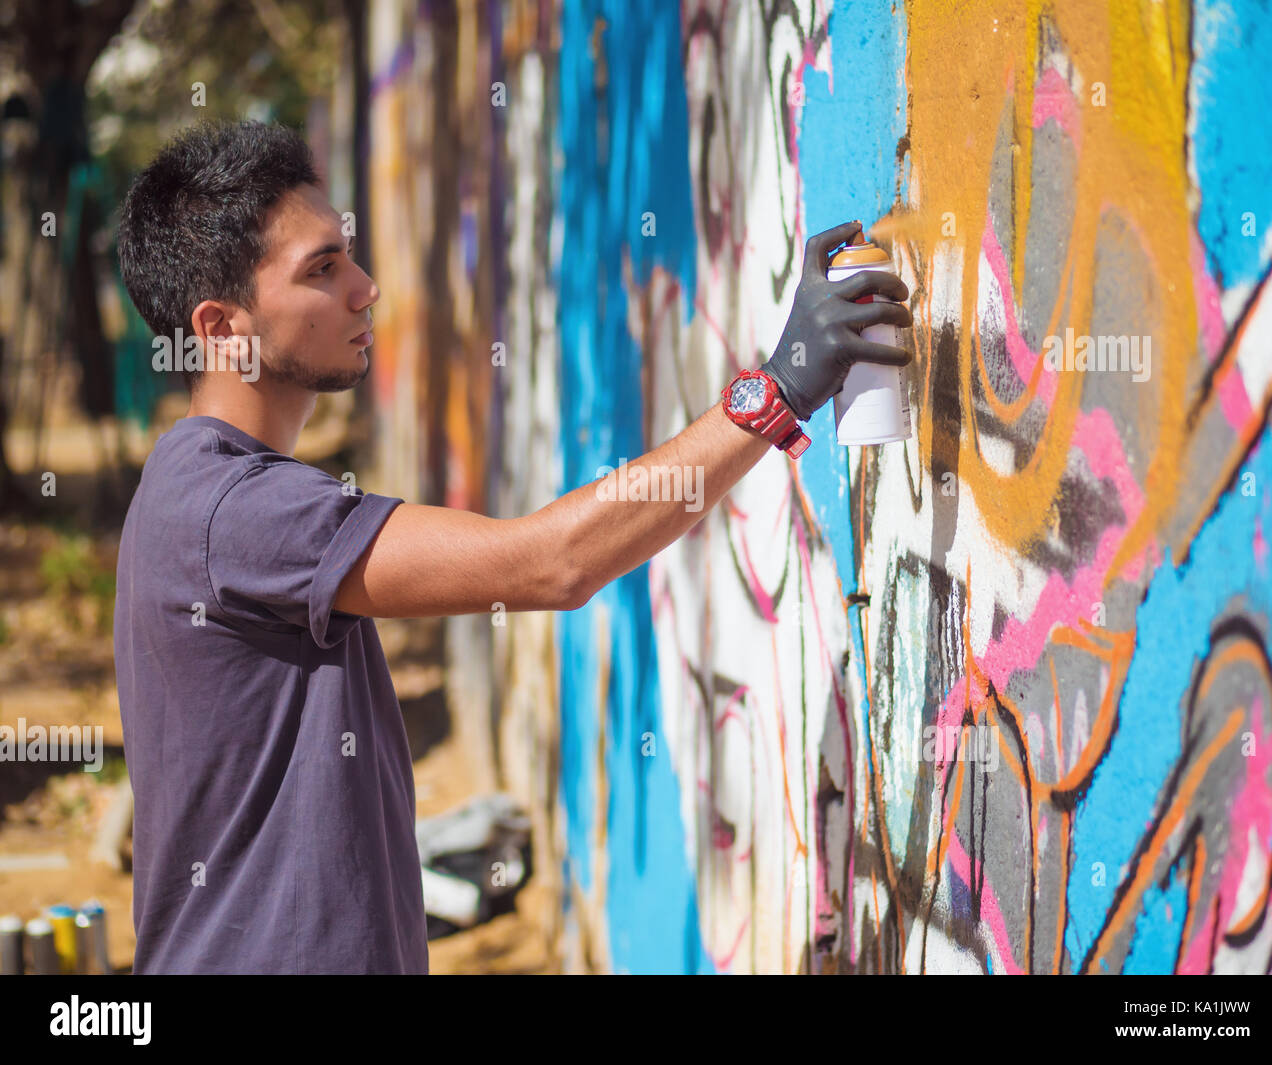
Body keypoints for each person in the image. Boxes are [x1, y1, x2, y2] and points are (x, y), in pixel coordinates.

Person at [113, 118, 912, 974]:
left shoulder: (192, 482)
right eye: (321, 270)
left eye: (346, 253)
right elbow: (547, 564)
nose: (365, 287)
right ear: (222, 326)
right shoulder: (240, 509)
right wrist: (777, 389)